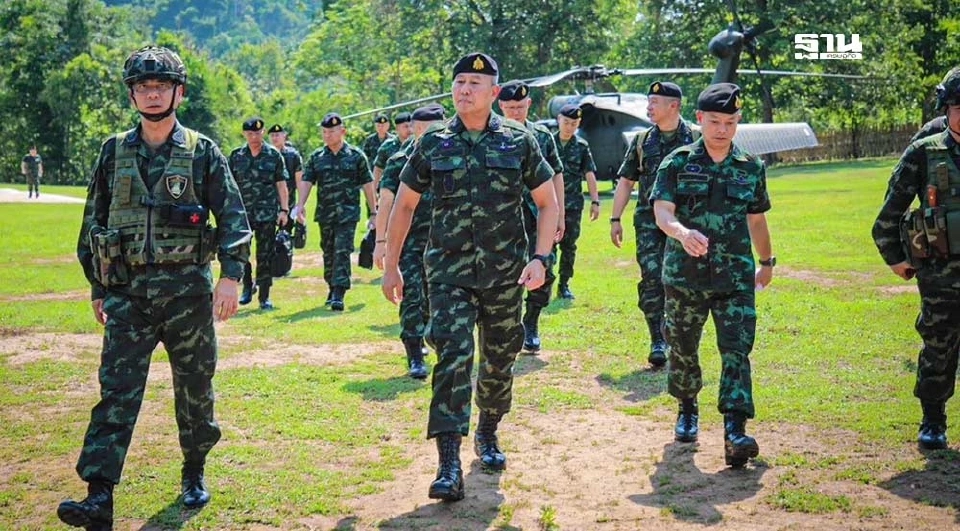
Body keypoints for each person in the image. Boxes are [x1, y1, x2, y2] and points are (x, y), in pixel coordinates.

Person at [59, 45, 251, 531]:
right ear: (132, 95)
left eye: (160, 86)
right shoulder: (113, 150)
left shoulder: (202, 151)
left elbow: (232, 217)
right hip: (128, 296)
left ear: (178, 92)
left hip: (188, 295)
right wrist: (98, 287)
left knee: (195, 391)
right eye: (142, 87)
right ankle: (98, 496)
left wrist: (230, 277)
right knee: (116, 393)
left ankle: (194, 471)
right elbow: (93, 221)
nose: (151, 93)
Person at [381, 52, 558, 501]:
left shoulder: (519, 142)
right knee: (454, 356)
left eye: (475, 83)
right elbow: (403, 206)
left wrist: (541, 257)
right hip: (448, 274)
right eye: (459, 82)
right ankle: (447, 462)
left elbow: (547, 202)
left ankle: (489, 429)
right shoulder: (432, 144)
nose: (465, 90)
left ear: (494, 93)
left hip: (505, 275)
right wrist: (390, 263)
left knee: (499, 360)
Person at [650, 82, 774, 468]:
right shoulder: (677, 162)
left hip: (734, 277)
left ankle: (735, 430)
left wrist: (767, 262)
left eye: (731, 122)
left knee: (737, 350)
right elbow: (663, 212)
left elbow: (757, 219)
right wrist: (681, 232)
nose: (722, 129)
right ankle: (687, 407)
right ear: (700, 119)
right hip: (685, 276)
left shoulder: (751, 168)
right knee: (683, 348)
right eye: (715, 121)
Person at [872, 66, 960, 450]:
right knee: (940, 345)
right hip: (941, 273)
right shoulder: (925, 152)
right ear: (946, 109)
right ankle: (933, 419)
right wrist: (895, 258)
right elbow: (888, 216)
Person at [610, 81, 700, 368]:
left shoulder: (698, 139)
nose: (648, 107)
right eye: (648, 101)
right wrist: (615, 219)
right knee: (652, 280)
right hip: (649, 223)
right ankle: (657, 339)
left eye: (654, 102)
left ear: (673, 105)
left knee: (683, 283)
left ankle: (677, 335)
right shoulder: (641, 142)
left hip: (687, 225)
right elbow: (626, 181)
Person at [374, 104, 446, 380]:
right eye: (421, 129)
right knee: (412, 297)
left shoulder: (452, 156)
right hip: (410, 242)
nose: (426, 134)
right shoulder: (398, 161)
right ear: (413, 130)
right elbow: (388, 203)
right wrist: (381, 241)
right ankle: (414, 353)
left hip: (445, 242)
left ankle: (439, 344)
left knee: (440, 299)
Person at [497, 79, 565, 353]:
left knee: (545, 268)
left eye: (520, 107)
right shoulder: (493, 136)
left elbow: (556, 174)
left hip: (540, 217)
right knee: (505, 275)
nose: (515, 112)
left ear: (529, 105)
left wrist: (559, 214)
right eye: (510, 107)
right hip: (505, 219)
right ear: (500, 106)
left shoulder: (542, 137)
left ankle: (532, 321)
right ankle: (509, 327)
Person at [294, 112, 377, 311]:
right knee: (328, 252)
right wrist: (301, 204)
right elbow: (307, 181)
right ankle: (331, 287)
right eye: (324, 132)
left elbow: (367, 184)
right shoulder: (317, 157)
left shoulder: (356, 156)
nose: (327, 135)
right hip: (325, 213)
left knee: (342, 250)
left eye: (331, 131)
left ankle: (339, 291)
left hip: (348, 213)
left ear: (342, 131)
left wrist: (374, 212)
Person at [229, 117, 290, 310]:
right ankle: (247, 286)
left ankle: (265, 295)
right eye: (250, 134)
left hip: (267, 212)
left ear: (263, 132)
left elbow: (281, 184)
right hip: (243, 214)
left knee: (265, 254)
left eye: (257, 133)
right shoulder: (236, 156)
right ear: (244, 134)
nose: (254, 137)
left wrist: (284, 210)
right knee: (242, 252)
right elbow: (229, 185)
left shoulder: (273, 155)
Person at [553, 103, 600, 300]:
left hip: (572, 205)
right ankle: (543, 283)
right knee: (546, 245)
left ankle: (564, 285)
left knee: (569, 246)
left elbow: (589, 174)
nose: (569, 127)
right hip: (549, 204)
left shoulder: (581, 146)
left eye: (574, 124)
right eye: (566, 122)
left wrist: (595, 201)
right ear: (558, 120)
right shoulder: (547, 142)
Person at [267, 123, 303, 233]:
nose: (274, 138)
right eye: (272, 135)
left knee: (285, 236)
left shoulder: (293, 156)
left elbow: (299, 181)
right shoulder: (266, 155)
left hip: (288, 202)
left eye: (277, 135)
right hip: (268, 203)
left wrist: (301, 204)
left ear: (284, 136)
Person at [372, 111, 414, 188]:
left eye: (411, 126)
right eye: (406, 127)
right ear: (397, 128)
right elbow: (378, 170)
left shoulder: (418, 144)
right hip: (392, 191)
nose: (410, 130)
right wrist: (374, 192)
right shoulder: (387, 146)